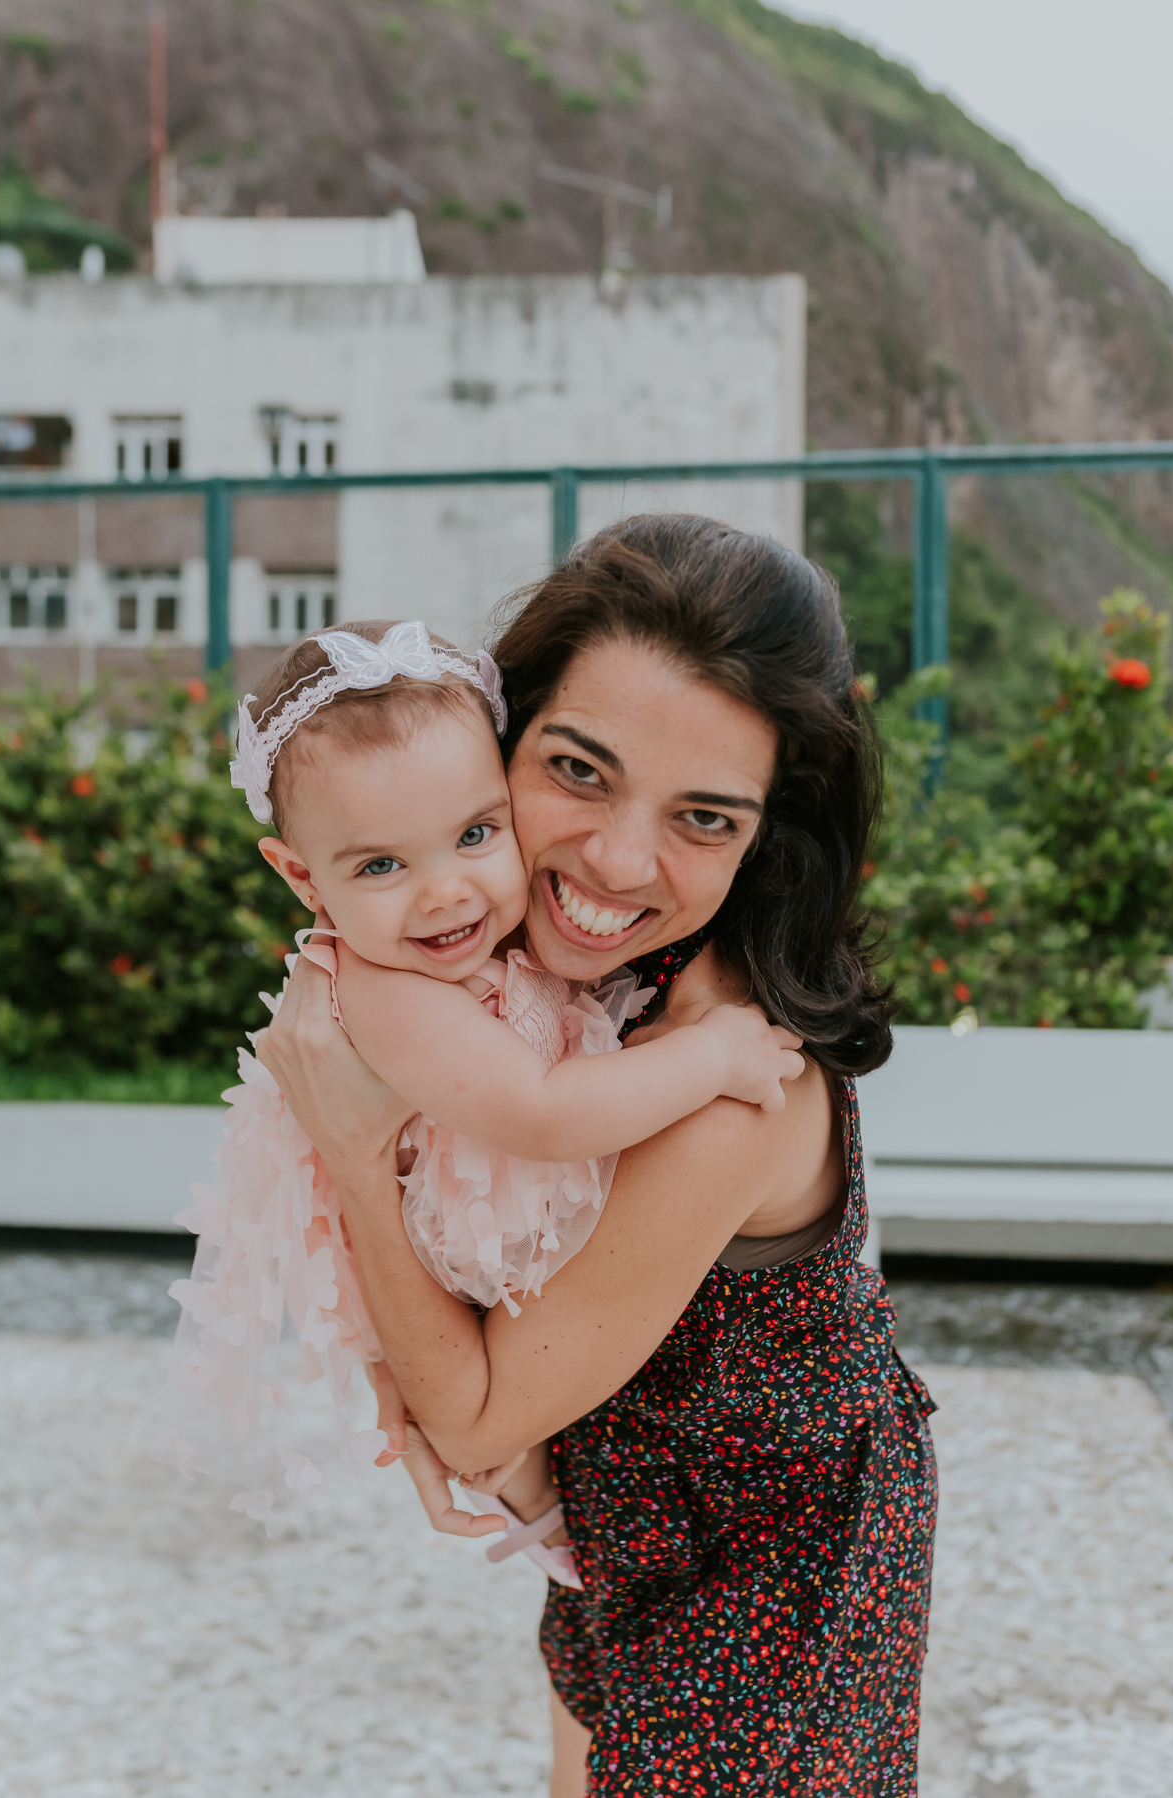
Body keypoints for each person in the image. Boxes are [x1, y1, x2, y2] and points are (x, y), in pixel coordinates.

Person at [258, 516, 939, 1796]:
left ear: (763, 832)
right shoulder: (496, 941)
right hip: (624, 1533)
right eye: (578, 769)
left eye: (703, 816)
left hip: (767, 1595)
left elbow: (477, 1411)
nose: (622, 861)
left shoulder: (726, 1077)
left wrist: (357, 1156)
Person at [158, 617, 801, 1551]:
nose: (447, 893)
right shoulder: (386, 990)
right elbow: (540, 1114)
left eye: (474, 833)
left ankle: (539, 1513)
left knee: (498, 1434)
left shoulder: (457, 937)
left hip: (489, 1242)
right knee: (494, 1439)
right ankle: (540, 1519)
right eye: (381, 865)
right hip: (451, 1235)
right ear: (303, 879)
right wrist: (709, 1058)